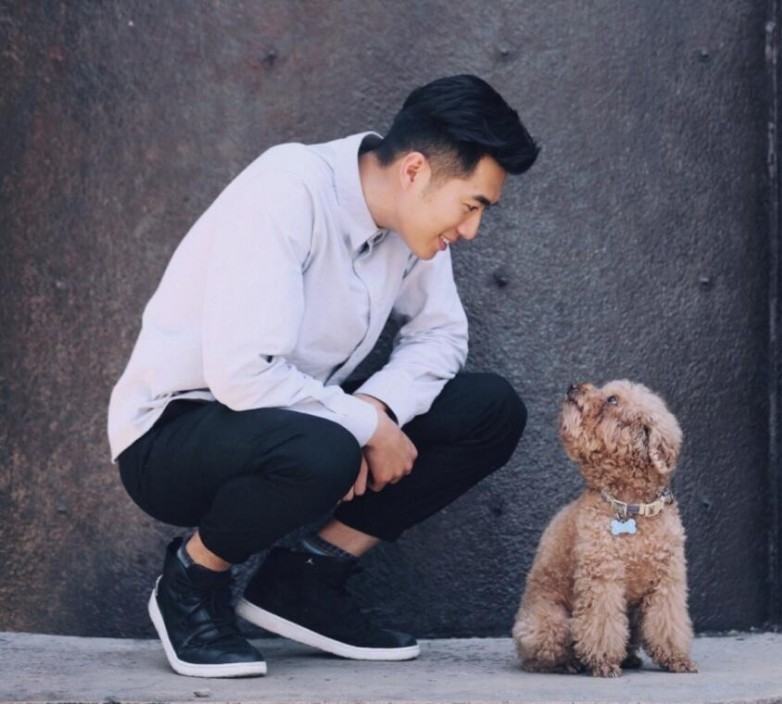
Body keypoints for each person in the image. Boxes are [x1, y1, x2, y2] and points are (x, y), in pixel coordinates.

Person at [108, 74, 540, 678]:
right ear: (415, 171)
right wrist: (363, 425)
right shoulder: (288, 189)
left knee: (489, 410)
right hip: (173, 433)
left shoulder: (411, 228)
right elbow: (243, 373)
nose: (471, 230)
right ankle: (191, 581)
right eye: (471, 206)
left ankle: (304, 579)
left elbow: (441, 336)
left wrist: (379, 411)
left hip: (295, 422)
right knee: (326, 447)